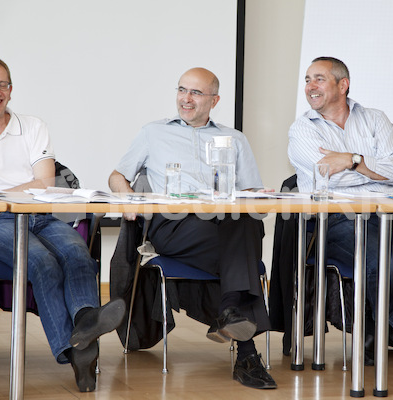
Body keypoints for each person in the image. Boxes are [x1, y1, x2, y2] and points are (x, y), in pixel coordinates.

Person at [0, 56, 126, 392]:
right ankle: (77, 351)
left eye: (3, 84)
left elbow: (45, 182)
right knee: (43, 263)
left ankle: (86, 321)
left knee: (77, 254)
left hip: (40, 215)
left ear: (11, 89)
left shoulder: (33, 126)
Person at [108, 67, 276, 389]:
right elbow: (118, 175)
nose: (186, 99)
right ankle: (242, 345)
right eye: (182, 90)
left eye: (196, 93)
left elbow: (251, 194)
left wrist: (260, 196)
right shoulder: (153, 132)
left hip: (224, 226)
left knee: (243, 222)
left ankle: (237, 328)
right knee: (242, 236)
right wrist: (127, 198)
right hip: (175, 226)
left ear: (215, 100)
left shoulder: (234, 139)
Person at [288, 56, 393, 362]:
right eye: (307, 79)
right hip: (338, 219)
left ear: (343, 85)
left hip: (392, 212)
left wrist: (352, 159)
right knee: (388, 263)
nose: (310, 86)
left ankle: (391, 329)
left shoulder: (375, 119)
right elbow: (326, 174)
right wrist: (369, 168)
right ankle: (380, 333)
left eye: (319, 79)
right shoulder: (302, 129)